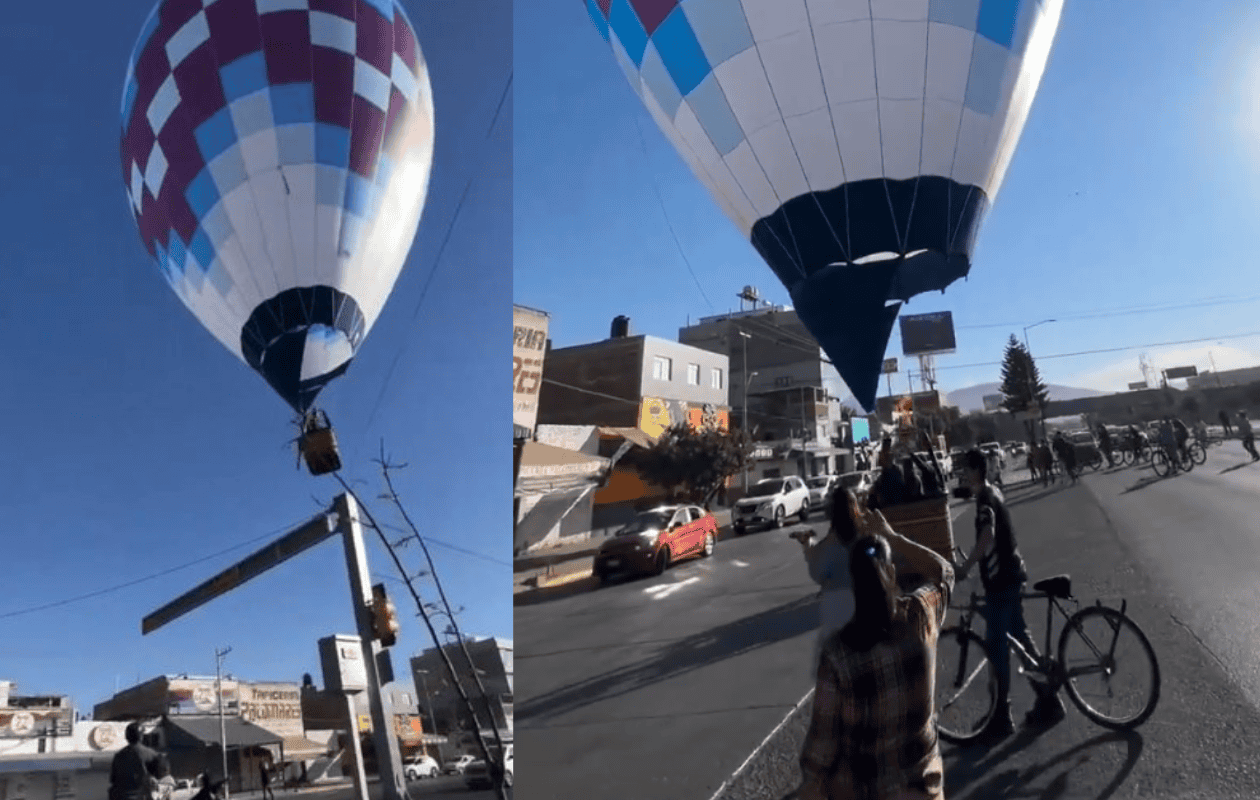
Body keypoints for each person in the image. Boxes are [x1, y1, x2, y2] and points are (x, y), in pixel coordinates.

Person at [796, 488, 954, 800]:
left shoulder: (839, 655)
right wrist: (893, 538)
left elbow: (820, 753)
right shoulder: (919, 616)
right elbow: (944, 572)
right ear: (892, 573)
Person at [955, 449, 1065, 742]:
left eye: (965, 469)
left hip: (1002, 581)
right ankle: (1049, 702)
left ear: (977, 471)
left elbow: (987, 535)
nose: (962, 474)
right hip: (1012, 575)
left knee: (997, 647)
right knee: (1021, 638)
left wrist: (965, 567)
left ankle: (1000, 717)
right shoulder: (995, 493)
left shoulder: (984, 500)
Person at [794, 487, 858, 678]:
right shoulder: (867, 533)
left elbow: (818, 573)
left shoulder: (831, 543)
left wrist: (807, 546)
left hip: (837, 604)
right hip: (866, 599)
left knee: (833, 671)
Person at [108, 722, 166, 800]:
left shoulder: (118, 756)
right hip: (141, 796)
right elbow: (160, 775)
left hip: (121, 796)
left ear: (127, 737)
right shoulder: (151, 754)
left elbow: (113, 779)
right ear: (141, 736)